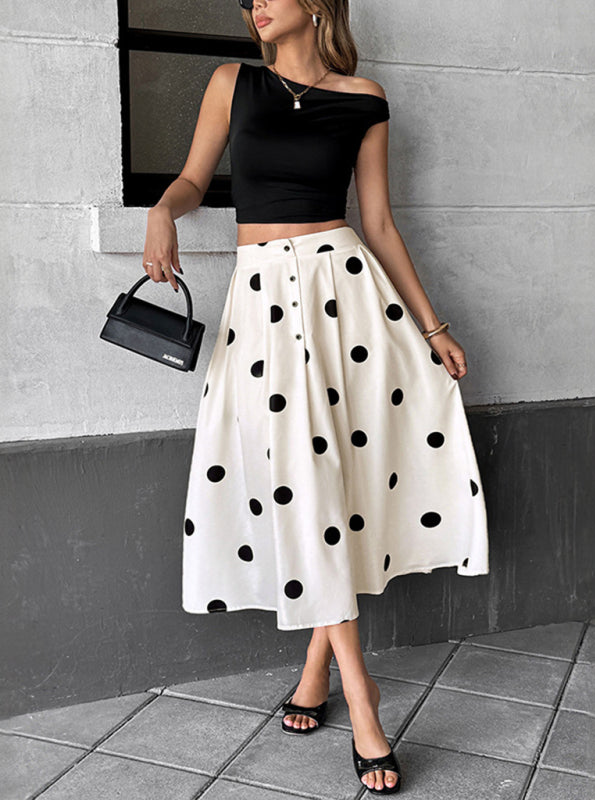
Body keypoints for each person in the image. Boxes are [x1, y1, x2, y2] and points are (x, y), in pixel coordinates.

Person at [142, 0, 489, 793]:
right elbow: (197, 178)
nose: (254, 4)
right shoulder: (233, 82)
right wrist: (164, 208)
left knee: (332, 486)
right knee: (298, 485)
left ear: (319, 4)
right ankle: (356, 695)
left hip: (347, 303)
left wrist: (433, 329)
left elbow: (380, 222)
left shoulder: (364, 98)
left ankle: (324, 678)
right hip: (262, 307)